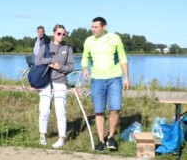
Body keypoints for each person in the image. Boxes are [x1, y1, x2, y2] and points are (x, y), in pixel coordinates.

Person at [82, 17, 129, 151]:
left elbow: (122, 57)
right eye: (92, 27)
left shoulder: (114, 38)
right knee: (99, 111)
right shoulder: (89, 40)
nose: (93, 29)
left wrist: (126, 77)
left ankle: (111, 137)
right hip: (97, 79)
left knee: (115, 109)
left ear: (104, 27)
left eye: (96, 27)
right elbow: (85, 56)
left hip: (114, 78)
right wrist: (85, 68)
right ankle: (101, 140)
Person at [35, 24, 74, 148]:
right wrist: (50, 62)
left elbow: (71, 66)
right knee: (44, 111)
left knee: (60, 111)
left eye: (64, 34)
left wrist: (61, 68)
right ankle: (43, 135)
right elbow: (38, 61)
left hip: (60, 82)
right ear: (54, 33)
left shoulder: (67, 48)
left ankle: (62, 138)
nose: (61, 36)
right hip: (45, 82)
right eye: (59, 33)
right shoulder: (45, 46)